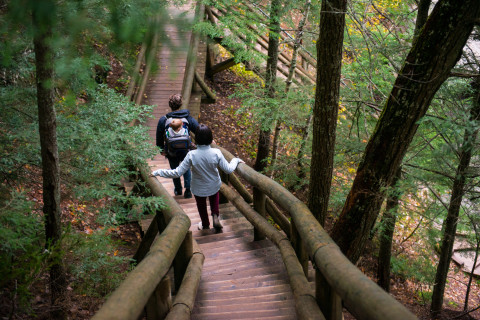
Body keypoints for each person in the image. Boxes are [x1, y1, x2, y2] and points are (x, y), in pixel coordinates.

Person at [152, 124, 243, 230]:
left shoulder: (191, 155)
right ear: (210, 139)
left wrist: (158, 172)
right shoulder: (216, 153)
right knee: (214, 199)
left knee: (201, 206)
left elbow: (177, 173)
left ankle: (205, 224)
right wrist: (235, 160)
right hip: (214, 184)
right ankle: (215, 215)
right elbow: (228, 169)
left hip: (198, 187)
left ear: (196, 139)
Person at [156, 94, 199, 198]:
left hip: (171, 150)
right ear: (181, 104)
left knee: (174, 169)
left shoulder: (164, 119)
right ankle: (188, 190)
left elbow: (159, 135)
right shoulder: (187, 118)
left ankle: (178, 189)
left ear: (170, 105)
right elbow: (198, 129)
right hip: (185, 149)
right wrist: (209, 139)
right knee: (186, 168)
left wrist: (161, 149)